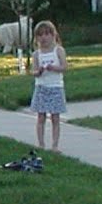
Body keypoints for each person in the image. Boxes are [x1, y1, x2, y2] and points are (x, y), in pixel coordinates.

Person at [29, 19, 68, 153]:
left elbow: (64, 67)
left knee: (55, 118)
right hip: (41, 88)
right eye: (40, 35)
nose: (43, 38)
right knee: (41, 117)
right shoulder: (36, 54)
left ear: (53, 35)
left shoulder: (58, 50)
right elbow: (33, 71)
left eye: (46, 34)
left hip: (55, 87)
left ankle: (55, 145)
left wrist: (54, 68)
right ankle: (41, 143)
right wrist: (38, 71)